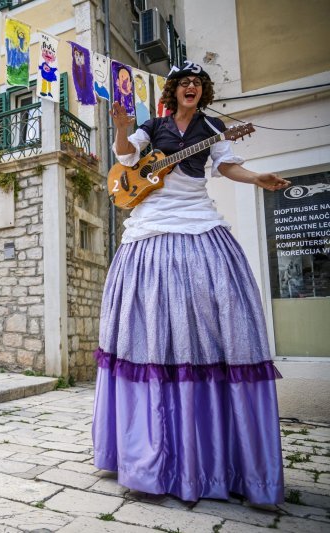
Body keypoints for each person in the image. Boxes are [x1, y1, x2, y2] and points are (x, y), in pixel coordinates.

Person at [93, 62, 288, 505]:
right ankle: (145, 456)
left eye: (197, 84)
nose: (191, 88)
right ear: (174, 90)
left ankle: (217, 456)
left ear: (203, 92)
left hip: (199, 223)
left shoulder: (214, 128)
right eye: (184, 82)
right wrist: (123, 129)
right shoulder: (154, 124)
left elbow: (229, 168)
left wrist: (256, 177)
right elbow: (125, 159)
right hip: (149, 229)